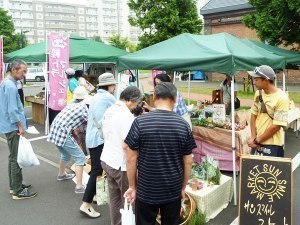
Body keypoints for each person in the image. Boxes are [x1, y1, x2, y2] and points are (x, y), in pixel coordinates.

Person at [123, 82, 196, 225]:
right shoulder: (183, 125)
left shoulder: (140, 122)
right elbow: (188, 161)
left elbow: (130, 159)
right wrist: (183, 188)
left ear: (154, 96)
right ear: (175, 99)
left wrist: (132, 186)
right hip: (172, 190)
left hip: (146, 189)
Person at [101, 86, 143, 225]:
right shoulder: (126, 116)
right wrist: (133, 183)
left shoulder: (110, 110)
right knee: (129, 200)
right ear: (130, 100)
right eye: (136, 104)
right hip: (120, 164)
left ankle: (116, 223)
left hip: (107, 159)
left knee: (114, 199)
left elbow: (104, 133)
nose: (136, 107)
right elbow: (127, 148)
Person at [79, 72, 117, 218]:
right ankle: (86, 204)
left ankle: (93, 194)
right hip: (99, 139)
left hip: (92, 137)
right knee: (97, 169)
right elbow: (118, 112)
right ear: (111, 85)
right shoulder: (108, 97)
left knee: (97, 168)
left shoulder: (95, 96)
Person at [0, 59, 37, 200]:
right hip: (13, 126)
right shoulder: (10, 85)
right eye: (23, 71)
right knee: (16, 158)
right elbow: (12, 109)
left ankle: (14, 186)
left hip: (8, 125)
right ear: (14, 70)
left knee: (12, 157)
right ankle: (17, 190)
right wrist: (20, 126)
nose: (24, 74)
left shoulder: (6, 82)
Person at [48, 86, 89, 193]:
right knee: (80, 157)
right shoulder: (82, 107)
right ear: (85, 97)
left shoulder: (71, 103)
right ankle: (79, 187)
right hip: (63, 132)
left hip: (54, 129)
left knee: (65, 154)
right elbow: (89, 121)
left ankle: (61, 175)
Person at [247, 65, 289, 157]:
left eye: (256, 80)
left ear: (266, 80)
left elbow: (276, 126)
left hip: (273, 145)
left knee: (269, 171)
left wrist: (257, 140)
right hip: (257, 143)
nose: (254, 82)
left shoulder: (282, 98)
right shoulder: (258, 93)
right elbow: (253, 115)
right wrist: (254, 136)